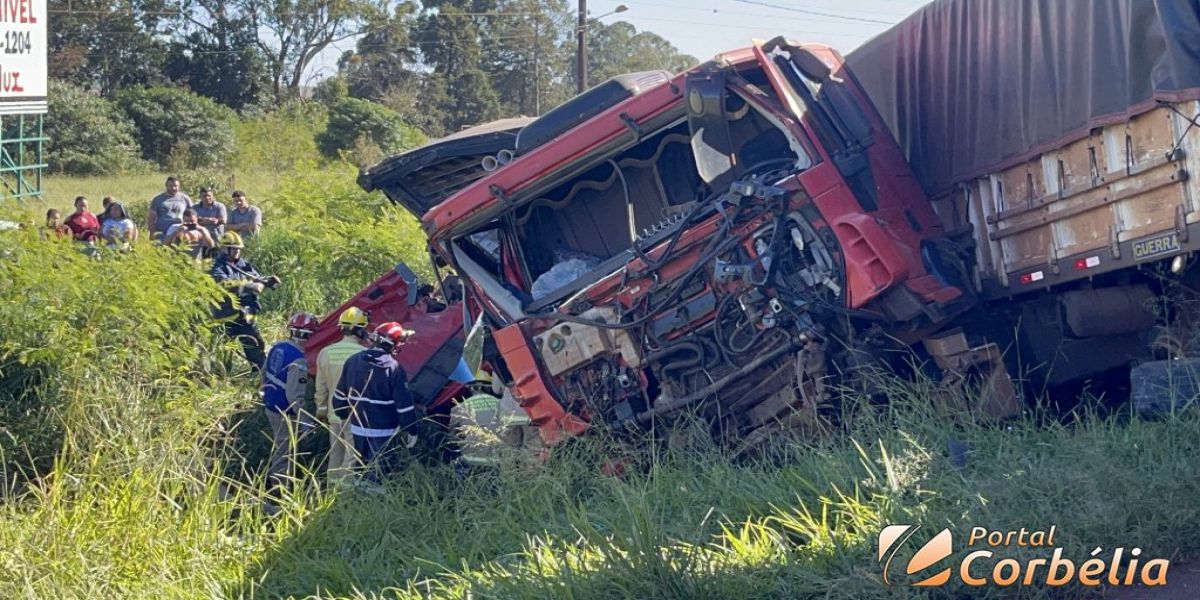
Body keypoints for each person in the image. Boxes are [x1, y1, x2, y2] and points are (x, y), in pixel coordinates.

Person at [332, 321, 417, 485]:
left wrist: (344, 415)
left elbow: (340, 398)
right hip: (384, 432)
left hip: (358, 429)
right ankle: (375, 502)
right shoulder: (394, 368)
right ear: (394, 344)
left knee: (360, 468)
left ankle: (360, 500)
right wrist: (411, 430)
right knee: (380, 473)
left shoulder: (353, 361)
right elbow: (404, 407)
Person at [313, 306, 371, 486]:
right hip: (355, 415)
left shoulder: (325, 352)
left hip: (333, 414)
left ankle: (331, 489)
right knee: (351, 456)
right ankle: (344, 496)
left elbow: (321, 387)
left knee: (336, 453)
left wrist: (321, 410)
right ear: (358, 329)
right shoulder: (363, 355)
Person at [262, 312, 319, 490]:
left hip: (270, 406)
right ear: (308, 335)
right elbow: (294, 396)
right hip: (283, 412)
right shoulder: (298, 360)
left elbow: (263, 373)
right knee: (284, 450)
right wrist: (305, 421)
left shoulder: (277, 347)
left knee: (281, 446)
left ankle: (275, 480)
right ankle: (280, 488)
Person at [210, 231, 280, 371]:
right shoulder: (216, 267)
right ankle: (223, 377)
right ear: (224, 248)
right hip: (226, 316)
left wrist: (268, 281)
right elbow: (224, 284)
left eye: (238, 249)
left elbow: (256, 278)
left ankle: (260, 376)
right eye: (234, 249)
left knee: (255, 347)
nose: (237, 252)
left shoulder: (244, 265)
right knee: (224, 352)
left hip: (246, 315)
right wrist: (251, 286)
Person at [148, 176, 192, 240]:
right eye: (171, 186)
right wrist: (152, 234)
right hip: (162, 232)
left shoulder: (185, 199)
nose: (173, 188)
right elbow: (151, 218)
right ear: (166, 185)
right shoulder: (157, 199)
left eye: (176, 186)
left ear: (179, 186)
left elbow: (192, 215)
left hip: (179, 231)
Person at [193, 187, 227, 255]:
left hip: (217, 239)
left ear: (213, 196)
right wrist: (211, 220)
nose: (207, 198)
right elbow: (193, 222)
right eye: (204, 196)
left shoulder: (219, 206)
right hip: (201, 242)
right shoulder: (195, 208)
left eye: (209, 195)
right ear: (200, 197)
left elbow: (223, 220)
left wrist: (202, 220)